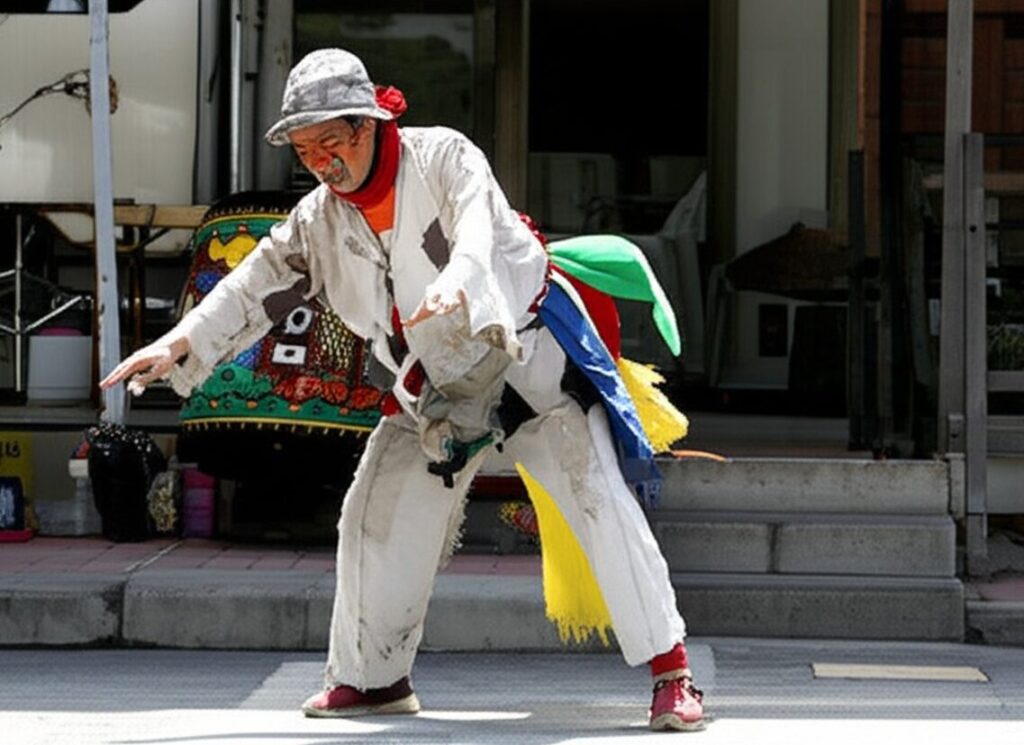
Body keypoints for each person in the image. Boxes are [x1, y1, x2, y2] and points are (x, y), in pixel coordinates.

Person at [101, 48, 705, 733]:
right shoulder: (318, 220)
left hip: (525, 363)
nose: (321, 163)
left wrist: (461, 281)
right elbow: (253, 285)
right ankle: (374, 679)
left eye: (330, 142)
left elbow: (476, 226)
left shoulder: (442, 157)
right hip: (434, 391)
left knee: (600, 501)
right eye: (305, 150)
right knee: (374, 515)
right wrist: (178, 343)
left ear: (368, 124)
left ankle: (673, 673)